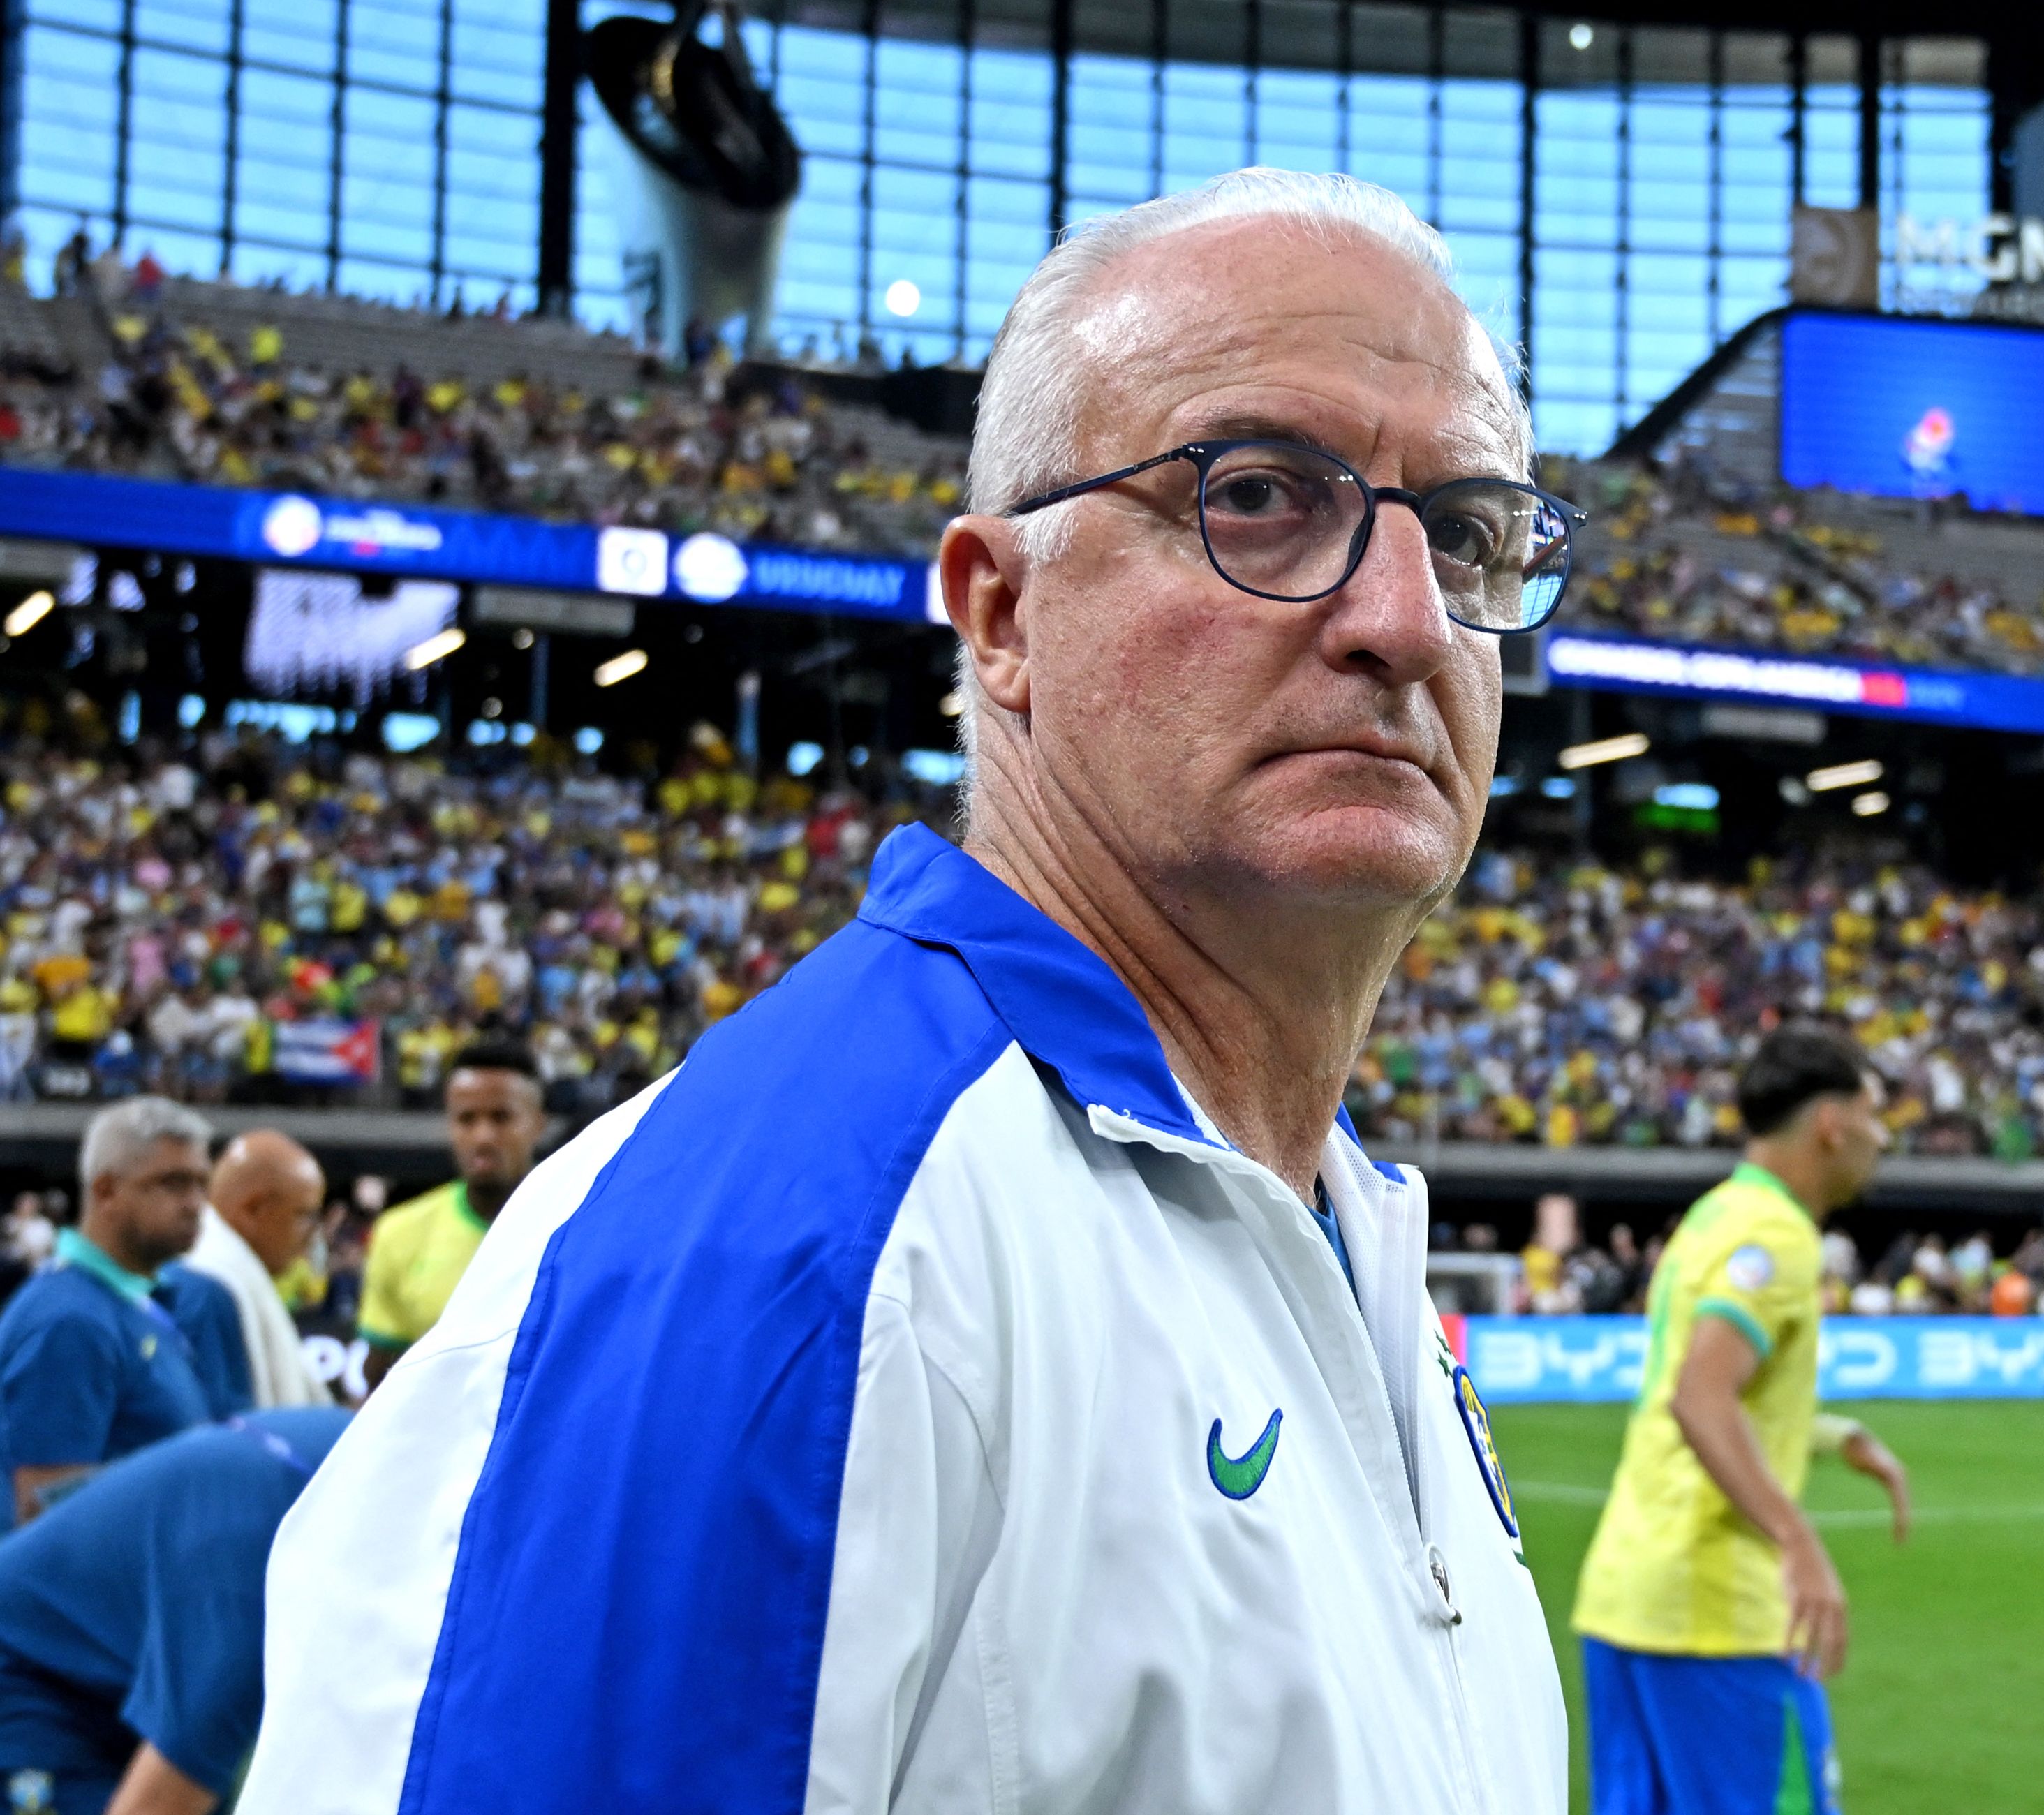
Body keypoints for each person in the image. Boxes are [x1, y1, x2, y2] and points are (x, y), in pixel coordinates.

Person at [248, 168, 1578, 1813]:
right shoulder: (800, 1248)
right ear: (1000, 611)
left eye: (1464, 533)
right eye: (1256, 494)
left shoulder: (1333, 1221)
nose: (1399, 617)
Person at [1571, 1023, 1913, 1815]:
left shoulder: (1712, 1217)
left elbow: (1685, 1387)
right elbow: (1701, 1394)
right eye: (1873, 1112)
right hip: (1719, 1616)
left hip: (1627, 1601)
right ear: (1831, 1122)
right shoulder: (1779, 1236)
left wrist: (1833, 1435)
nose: (1882, 1136)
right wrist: (1797, 1538)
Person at [0, 1407, 351, 1815]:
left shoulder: (355, 1459)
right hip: (29, 1682)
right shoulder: (248, 1596)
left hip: (118, 1673)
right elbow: (159, 1803)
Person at [0, 1099, 247, 1525]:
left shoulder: (137, 1305)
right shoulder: (70, 1322)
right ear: (106, 1191)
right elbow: (44, 1506)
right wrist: (195, 1480)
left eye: (201, 1185)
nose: (195, 1204)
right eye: (173, 1183)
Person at [355, 1041, 543, 1390]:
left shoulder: (583, 1227)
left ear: (538, 1124)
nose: (483, 1136)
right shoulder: (399, 1232)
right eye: (466, 1119)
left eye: (501, 1117)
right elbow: (379, 1380)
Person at [183, 1132, 332, 1409]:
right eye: (304, 1215)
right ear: (253, 1209)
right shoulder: (208, 1289)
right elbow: (225, 1436)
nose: (312, 1236)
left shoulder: (221, 1272)